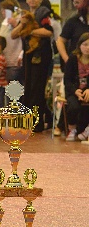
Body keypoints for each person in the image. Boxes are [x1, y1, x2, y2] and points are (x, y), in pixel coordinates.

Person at [11, 0, 53, 133]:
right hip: (28, 55)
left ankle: (37, 122)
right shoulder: (25, 15)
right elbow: (13, 35)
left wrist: (29, 31)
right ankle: (29, 120)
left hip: (41, 54)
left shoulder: (44, 13)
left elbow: (48, 32)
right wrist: (22, 25)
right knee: (28, 87)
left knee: (37, 87)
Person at [54, 0, 88, 136]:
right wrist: (67, 60)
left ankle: (83, 129)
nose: (75, 2)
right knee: (70, 97)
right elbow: (60, 41)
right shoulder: (73, 21)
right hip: (74, 69)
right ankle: (62, 126)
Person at [63, 32, 89, 142]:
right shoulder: (73, 59)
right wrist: (75, 91)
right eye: (85, 44)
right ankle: (71, 129)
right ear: (79, 45)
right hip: (74, 90)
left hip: (87, 90)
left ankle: (87, 130)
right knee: (73, 106)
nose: (88, 48)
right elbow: (67, 80)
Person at [0, 0, 23, 83]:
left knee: (14, 93)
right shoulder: (5, 23)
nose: (2, 12)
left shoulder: (20, 20)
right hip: (7, 61)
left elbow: (25, 36)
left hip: (14, 62)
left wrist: (15, 25)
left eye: (3, 10)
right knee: (11, 91)